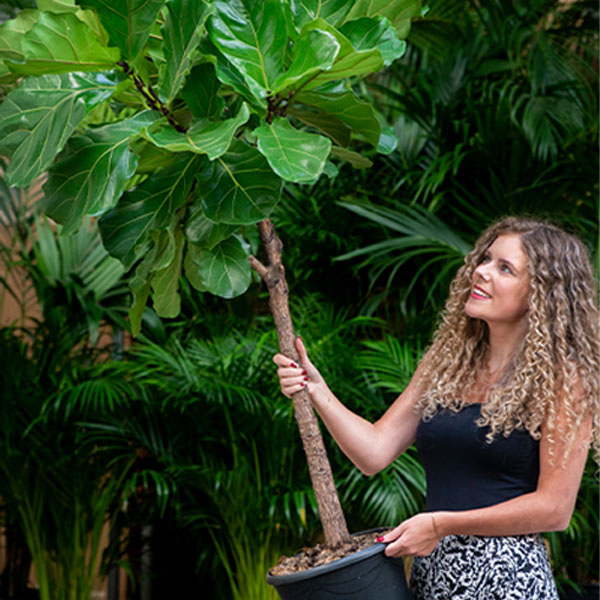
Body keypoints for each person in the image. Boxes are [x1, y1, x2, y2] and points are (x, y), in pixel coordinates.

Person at [273, 216, 599, 599]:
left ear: (539, 294)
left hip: (507, 578)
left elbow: (555, 509)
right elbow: (373, 452)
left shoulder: (565, 380)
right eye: (486, 259)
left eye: (505, 268)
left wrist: (443, 524)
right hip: (433, 572)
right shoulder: (447, 363)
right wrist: (318, 391)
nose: (481, 271)